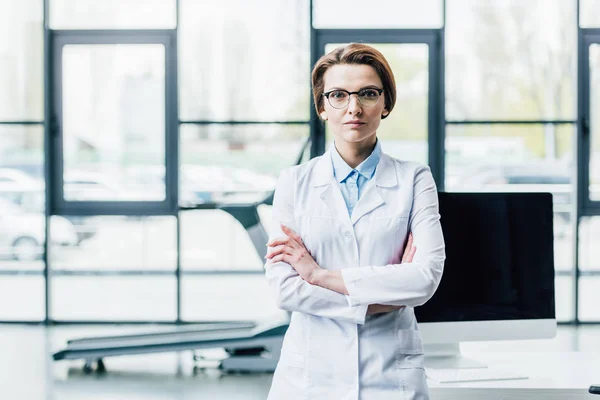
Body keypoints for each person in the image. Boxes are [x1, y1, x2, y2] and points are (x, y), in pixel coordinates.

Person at [264, 43, 445, 400]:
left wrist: (318, 276)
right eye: (338, 95)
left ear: (386, 103)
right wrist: (385, 296)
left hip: (390, 375)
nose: (354, 107)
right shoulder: (294, 182)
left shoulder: (414, 179)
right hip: (310, 378)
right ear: (322, 107)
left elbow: (425, 279)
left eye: (368, 93)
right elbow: (284, 288)